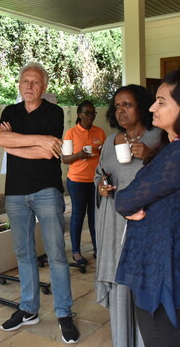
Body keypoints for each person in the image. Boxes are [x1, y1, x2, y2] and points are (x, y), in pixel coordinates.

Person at [0, 62, 79, 344]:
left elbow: (48, 154)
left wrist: (14, 144)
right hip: (16, 193)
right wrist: (37, 141)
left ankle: (64, 312)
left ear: (44, 87)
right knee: (24, 254)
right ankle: (29, 309)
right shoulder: (9, 111)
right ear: (19, 84)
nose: (29, 86)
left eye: (35, 82)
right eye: (25, 81)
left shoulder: (54, 112)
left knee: (56, 254)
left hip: (46, 191)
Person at [114, 71, 180, 347]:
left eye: (161, 102)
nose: (153, 107)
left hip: (163, 269)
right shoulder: (169, 149)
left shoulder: (176, 155)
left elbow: (125, 200)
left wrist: (130, 203)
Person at [94, 84, 160, 347]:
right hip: (113, 223)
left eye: (127, 104)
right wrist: (100, 185)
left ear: (142, 107)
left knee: (144, 286)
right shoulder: (111, 142)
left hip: (146, 224)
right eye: (117, 105)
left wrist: (150, 156)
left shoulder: (158, 139)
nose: (120, 110)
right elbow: (100, 173)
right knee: (120, 285)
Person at [62, 101, 106, 264]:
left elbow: (104, 155)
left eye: (93, 113)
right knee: (78, 215)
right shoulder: (71, 133)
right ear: (79, 115)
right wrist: (79, 155)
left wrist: (102, 150)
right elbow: (65, 159)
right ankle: (76, 251)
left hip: (95, 181)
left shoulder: (99, 132)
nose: (90, 116)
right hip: (77, 181)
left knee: (95, 216)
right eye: (87, 113)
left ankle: (97, 249)